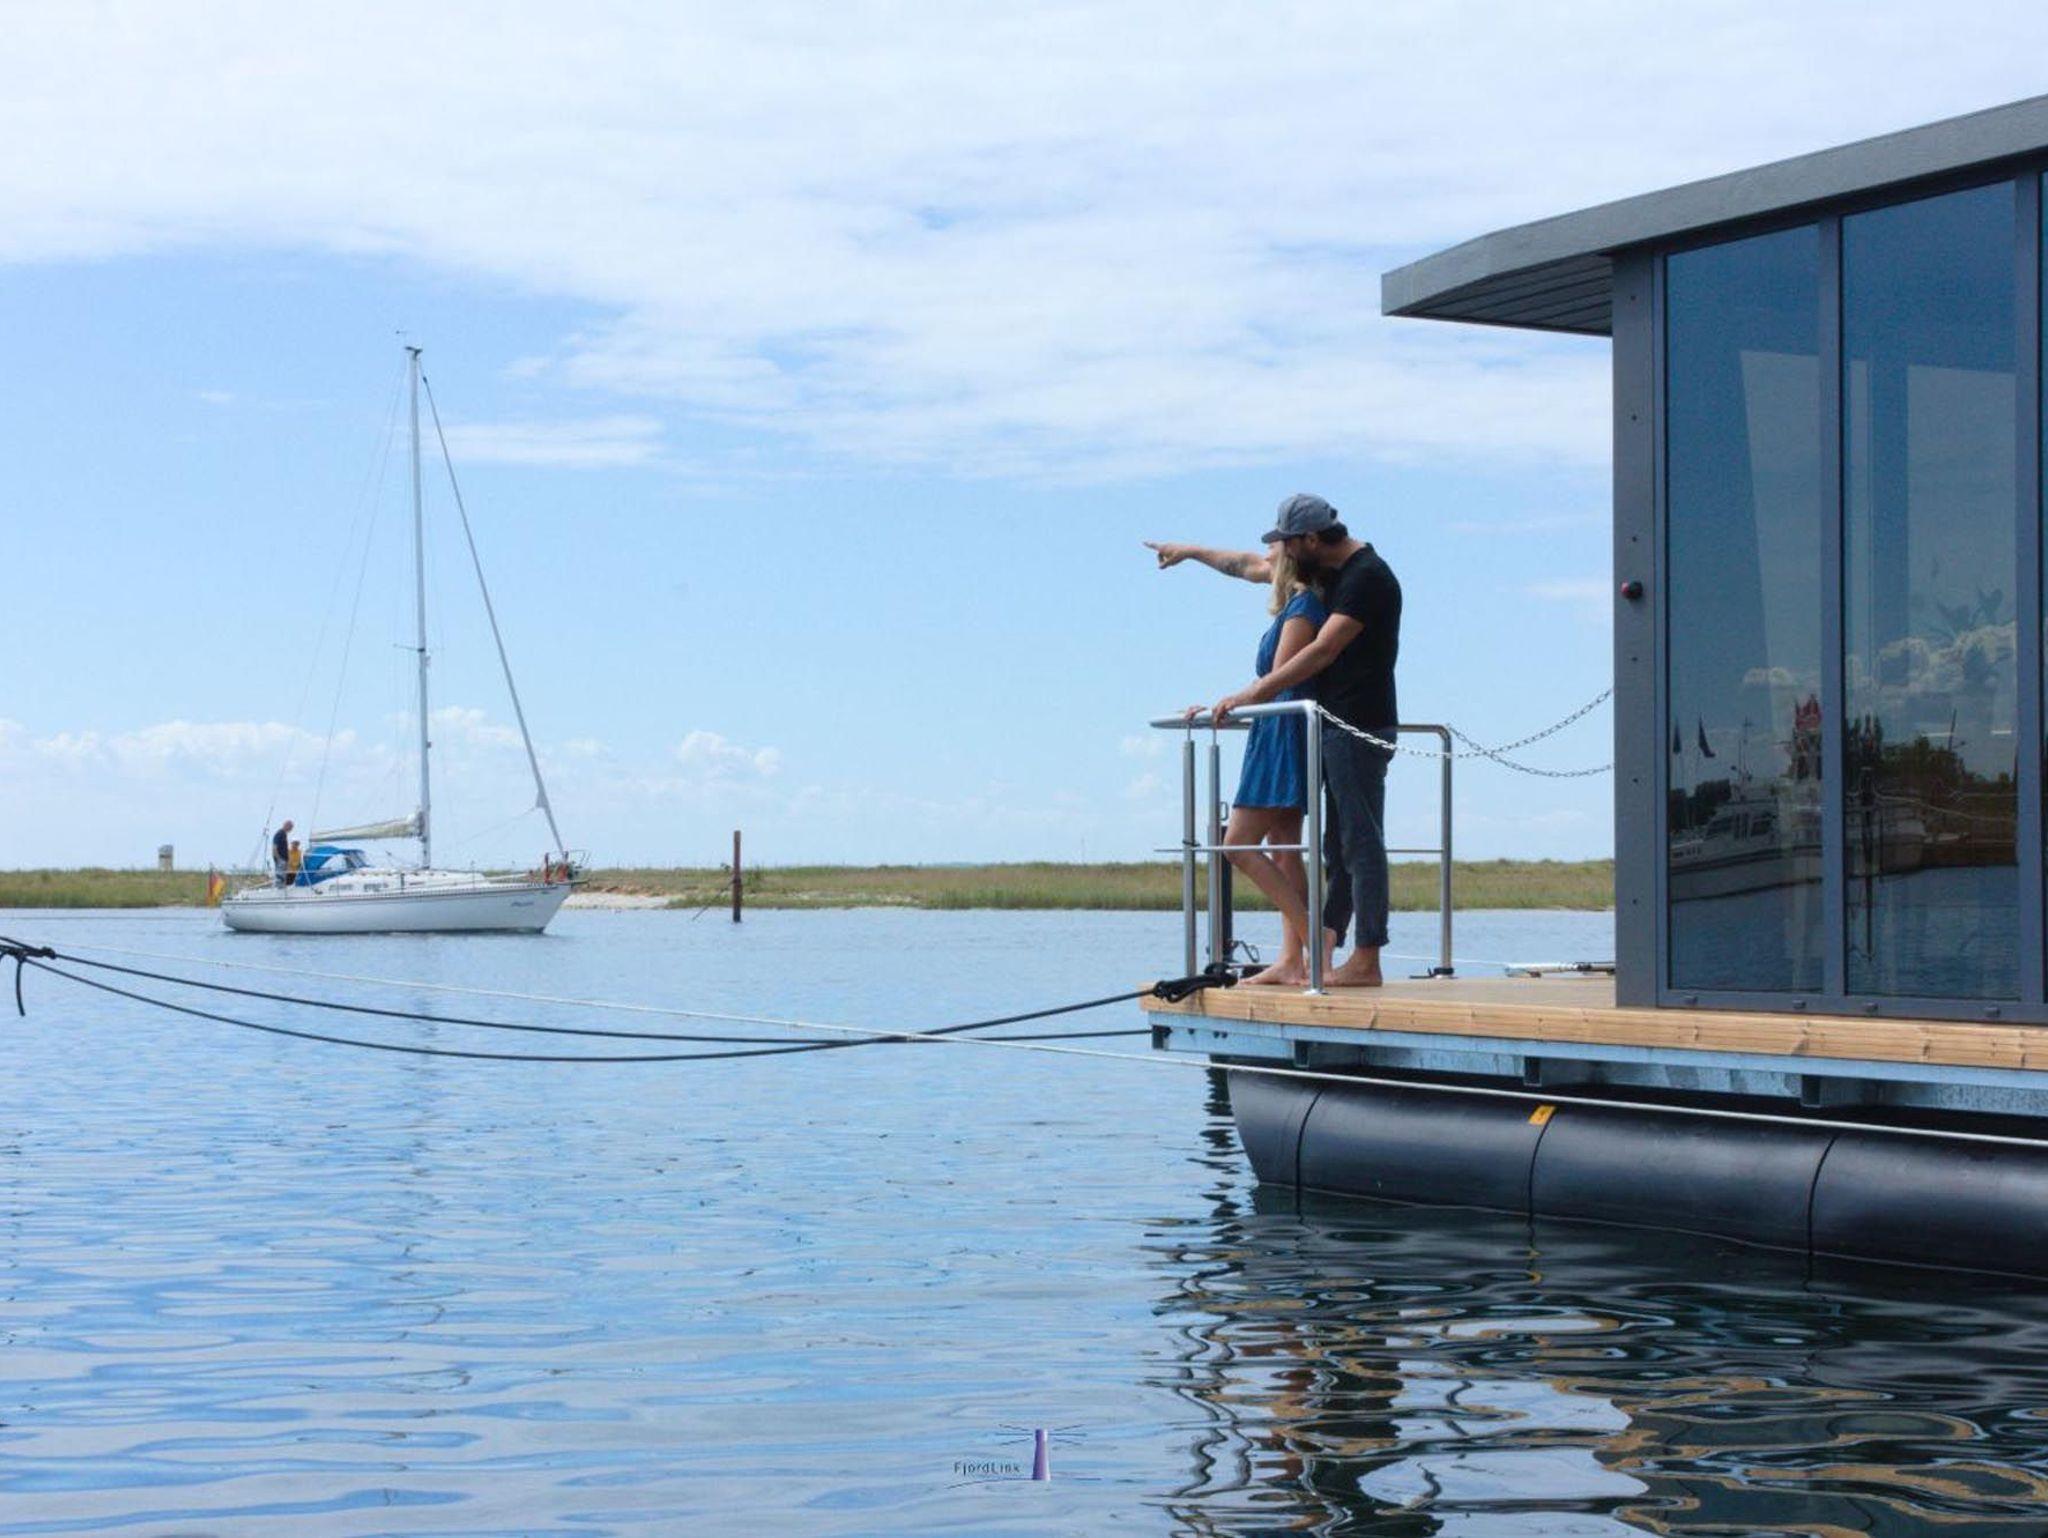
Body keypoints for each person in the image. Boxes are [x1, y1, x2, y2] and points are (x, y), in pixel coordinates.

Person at [1209, 494, 1401, 989]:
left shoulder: (1366, 578)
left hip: (1358, 724)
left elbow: (1322, 651)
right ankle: (1319, 947)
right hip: (1330, 728)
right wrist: (1187, 551)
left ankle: (1363, 957)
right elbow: (1249, 565)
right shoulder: (1331, 574)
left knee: (1360, 843)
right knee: (1335, 846)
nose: (1282, 553)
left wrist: (1251, 694)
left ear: (1312, 539)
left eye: (1289, 543)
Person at [1152, 539, 1330, 986]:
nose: (1263, 555)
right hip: (1277, 725)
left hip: (1282, 729)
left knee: (1238, 844)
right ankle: (1292, 960)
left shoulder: (1304, 607)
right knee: (1283, 846)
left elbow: (1279, 678)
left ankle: (1314, 936)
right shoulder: (1292, 598)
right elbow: (1239, 564)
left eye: (1272, 547)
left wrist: (1230, 703)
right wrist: (1190, 552)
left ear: (1289, 556)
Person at [272, 819, 295, 887]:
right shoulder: (279, 833)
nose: (291, 829)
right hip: (281, 860)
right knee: (280, 877)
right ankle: (279, 889)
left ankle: (282, 888)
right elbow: (274, 847)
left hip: (284, 860)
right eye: (291, 827)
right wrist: (279, 859)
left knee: (283, 877)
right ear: (287, 826)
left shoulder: (284, 834)